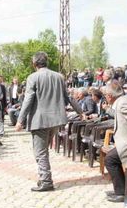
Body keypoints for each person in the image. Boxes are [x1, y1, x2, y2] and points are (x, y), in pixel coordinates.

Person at [15, 52, 82, 192]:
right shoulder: (59, 76)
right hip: (56, 121)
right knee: (43, 150)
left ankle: (46, 181)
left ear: (34, 64)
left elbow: (28, 100)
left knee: (40, 152)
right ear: (46, 62)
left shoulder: (33, 77)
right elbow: (68, 96)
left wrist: (20, 120)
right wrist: (80, 112)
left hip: (40, 121)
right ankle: (44, 177)